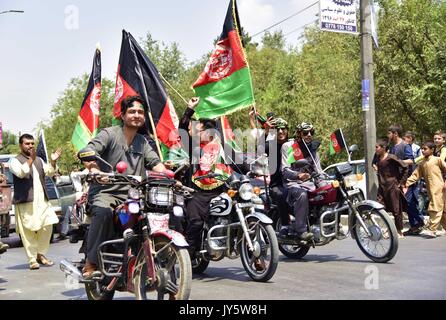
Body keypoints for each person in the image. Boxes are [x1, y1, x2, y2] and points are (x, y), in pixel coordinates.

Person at [79, 95, 167, 278]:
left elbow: (156, 163)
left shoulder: (142, 142)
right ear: (123, 114)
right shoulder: (109, 134)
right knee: (103, 212)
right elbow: (88, 151)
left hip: (134, 194)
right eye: (132, 111)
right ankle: (91, 261)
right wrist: (95, 170)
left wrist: (170, 177)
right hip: (106, 191)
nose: (137, 115)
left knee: (164, 212)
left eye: (141, 112)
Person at [179, 97, 234, 258]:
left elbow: (240, 161)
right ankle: (187, 258)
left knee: (245, 206)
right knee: (195, 222)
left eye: (198, 129)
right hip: (197, 194)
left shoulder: (222, 147)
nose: (194, 131)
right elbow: (182, 128)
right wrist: (189, 109)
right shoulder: (193, 147)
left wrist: (255, 164)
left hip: (221, 191)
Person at [9, 134, 62, 269]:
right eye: (27, 144)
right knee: (28, 231)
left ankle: (41, 254)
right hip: (26, 201)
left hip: (42, 201)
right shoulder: (14, 161)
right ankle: (32, 259)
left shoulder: (38, 160)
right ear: (21, 145)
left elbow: (49, 172)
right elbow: (21, 173)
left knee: (48, 225)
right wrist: (30, 160)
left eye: (32, 143)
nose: (31, 146)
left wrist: (53, 161)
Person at [280, 122, 321, 241]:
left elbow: (319, 170)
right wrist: (298, 175)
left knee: (329, 190)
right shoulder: (288, 146)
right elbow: (285, 170)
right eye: (305, 133)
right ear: (299, 134)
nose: (309, 135)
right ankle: (301, 230)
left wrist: (326, 181)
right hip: (292, 184)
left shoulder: (313, 149)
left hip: (310, 184)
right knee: (301, 195)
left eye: (311, 132)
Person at [387, 124, 425, 235]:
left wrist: (397, 160)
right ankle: (414, 226)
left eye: (389, 133)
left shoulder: (405, 145)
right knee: (406, 203)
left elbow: (411, 160)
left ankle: (420, 221)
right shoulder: (393, 147)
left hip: (407, 179)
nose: (388, 135)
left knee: (408, 202)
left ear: (395, 134)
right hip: (397, 179)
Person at [404, 141, 446, 238]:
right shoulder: (422, 163)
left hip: (440, 188)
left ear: (432, 150)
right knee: (442, 210)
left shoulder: (437, 160)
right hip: (431, 190)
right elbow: (415, 175)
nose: (423, 151)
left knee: (434, 208)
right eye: (422, 149)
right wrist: (405, 184)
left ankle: (432, 229)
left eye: (425, 149)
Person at [375, 139, 408, 238]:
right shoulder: (378, 158)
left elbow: (405, 167)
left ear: (384, 148)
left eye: (377, 147)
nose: (375, 149)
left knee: (396, 210)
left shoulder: (391, 157)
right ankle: (389, 228)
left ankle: (399, 231)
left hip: (392, 187)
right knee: (380, 208)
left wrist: (400, 182)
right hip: (382, 188)